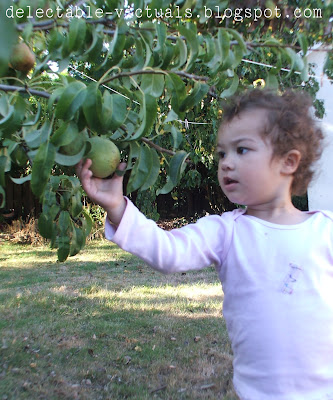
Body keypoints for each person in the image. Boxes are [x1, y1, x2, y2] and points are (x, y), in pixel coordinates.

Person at [76, 89, 333, 400]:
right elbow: (168, 252)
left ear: (288, 162)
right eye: (222, 153)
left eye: (241, 150)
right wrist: (117, 206)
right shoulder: (226, 232)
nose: (226, 163)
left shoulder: (325, 230)